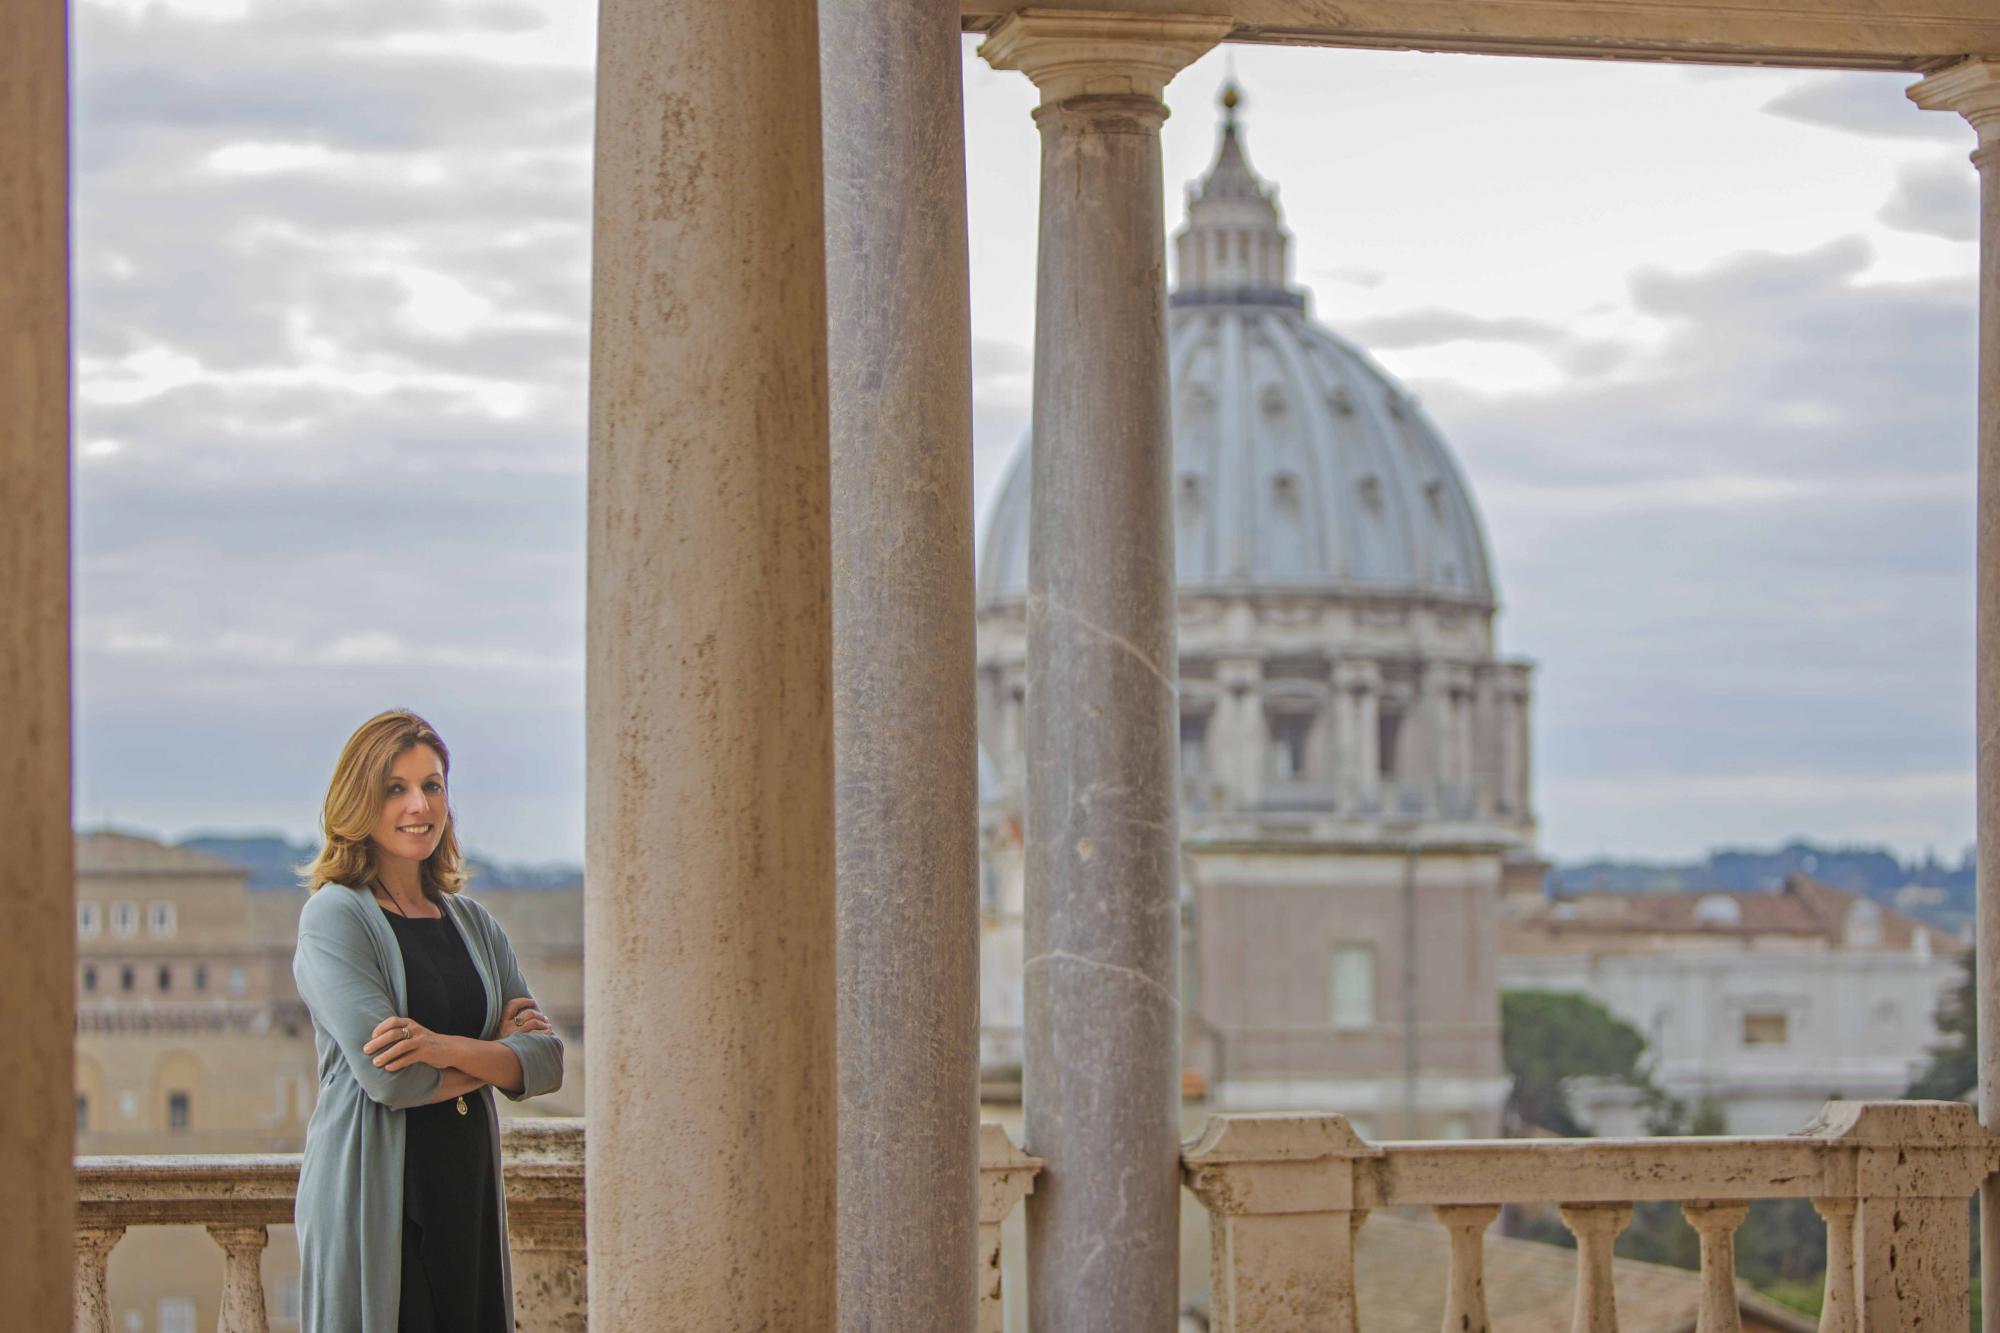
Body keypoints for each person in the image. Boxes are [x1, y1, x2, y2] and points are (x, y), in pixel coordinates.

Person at [292, 709, 564, 1333]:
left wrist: (440, 1046)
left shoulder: (473, 923)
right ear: (360, 799)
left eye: (432, 786)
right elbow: (393, 1082)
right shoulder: (334, 918)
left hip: (463, 1186)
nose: (419, 805)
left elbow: (546, 1063)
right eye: (396, 788)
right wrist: (496, 1055)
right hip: (375, 1193)